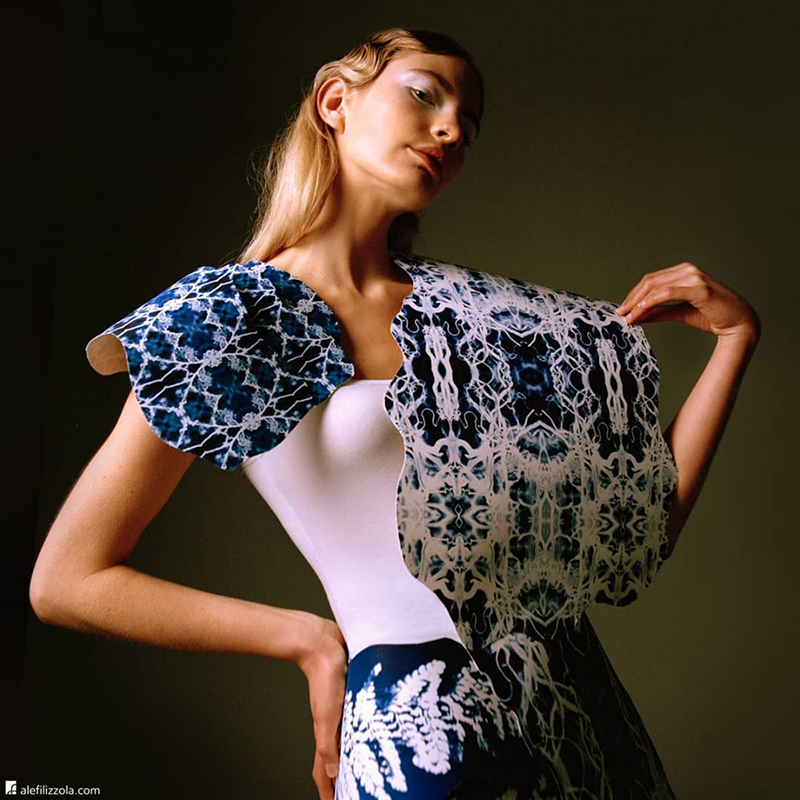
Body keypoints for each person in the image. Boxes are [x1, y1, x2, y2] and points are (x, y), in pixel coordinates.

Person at [29, 27, 761, 800]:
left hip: (581, 717)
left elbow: (634, 534)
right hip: (422, 718)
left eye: (467, 126)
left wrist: (735, 342)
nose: (450, 130)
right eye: (424, 96)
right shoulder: (224, 321)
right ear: (336, 102)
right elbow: (68, 579)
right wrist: (305, 639)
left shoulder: (478, 317)